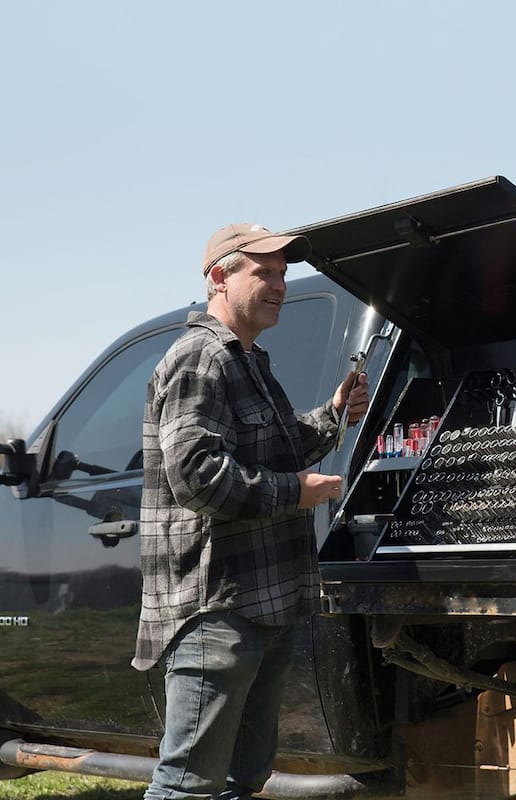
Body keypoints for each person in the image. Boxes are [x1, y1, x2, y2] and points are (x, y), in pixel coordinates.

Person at [132, 223, 369, 800]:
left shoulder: (249, 360)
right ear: (219, 277)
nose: (280, 285)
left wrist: (335, 413)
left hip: (264, 606)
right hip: (218, 610)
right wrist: (297, 492)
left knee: (245, 778)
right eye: (263, 272)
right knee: (188, 784)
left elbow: (277, 445)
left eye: (284, 274)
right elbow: (198, 477)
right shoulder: (200, 359)